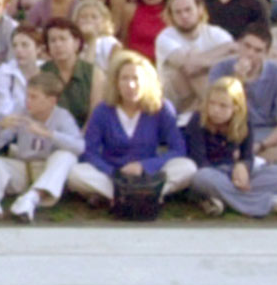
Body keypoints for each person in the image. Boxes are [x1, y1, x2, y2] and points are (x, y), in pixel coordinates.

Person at [0, 70, 83, 222]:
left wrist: (50, 134)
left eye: (34, 97)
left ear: (51, 101)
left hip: (47, 170)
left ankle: (32, 199)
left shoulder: (62, 117)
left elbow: (79, 147)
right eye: (27, 95)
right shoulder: (21, 112)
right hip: (24, 168)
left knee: (66, 157)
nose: (28, 101)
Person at [68, 53, 194, 207]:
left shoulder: (161, 108)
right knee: (75, 173)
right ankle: (127, 196)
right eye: (125, 78)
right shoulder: (103, 110)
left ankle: (146, 194)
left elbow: (178, 149)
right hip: (113, 176)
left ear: (147, 81)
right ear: (116, 82)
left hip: (149, 175)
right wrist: (113, 172)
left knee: (187, 167)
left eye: (136, 78)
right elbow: (89, 152)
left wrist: (144, 166)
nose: (130, 85)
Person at [186, 76, 277, 218]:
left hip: (233, 174)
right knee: (203, 177)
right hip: (211, 173)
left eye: (223, 106)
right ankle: (269, 202)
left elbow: (247, 156)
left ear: (236, 107)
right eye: (212, 104)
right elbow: (200, 162)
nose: (215, 110)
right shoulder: (198, 120)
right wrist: (232, 175)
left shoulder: (244, 122)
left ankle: (222, 199)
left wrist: (243, 167)